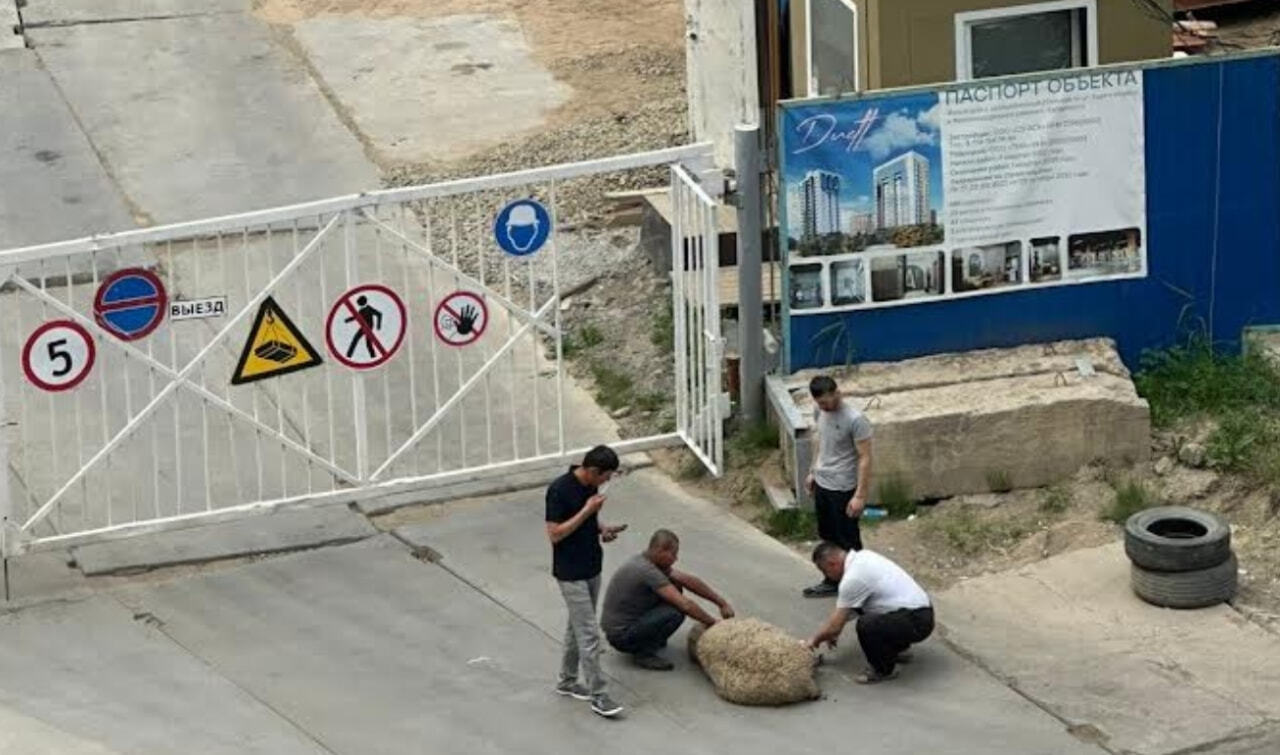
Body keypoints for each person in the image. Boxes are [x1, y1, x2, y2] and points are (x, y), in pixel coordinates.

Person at [545, 445, 628, 718]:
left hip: (592, 566)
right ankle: (599, 694)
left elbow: (587, 522)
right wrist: (586, 510)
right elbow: (555, 534)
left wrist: (601, 528)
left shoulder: (591, 487)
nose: (606, 483)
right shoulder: (559, 490)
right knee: (590, 633)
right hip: (571, 573)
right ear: (593, 471)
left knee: (577, 627)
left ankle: (567, 680)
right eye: (605, 477)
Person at [601, 529, 735, 670]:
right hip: (621, 637)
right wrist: (713, 623)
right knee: (676, 611)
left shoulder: (648, 560)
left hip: (624, 626)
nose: (676, 559)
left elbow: (687, 580)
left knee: (676, 587)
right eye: (673, 554)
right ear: (660, 550)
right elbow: (686, 605)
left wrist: (721, 602)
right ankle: (643, 653)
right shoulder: (647, 571)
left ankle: (649, 638)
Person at [804, 542, 934, 684]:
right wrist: (832, 630)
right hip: (923, 612)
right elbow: (849, 610)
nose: (827, 576)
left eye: (825, 571)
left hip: (916, 621)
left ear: (832, 564)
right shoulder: (864, 556)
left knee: (868, 625)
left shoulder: (852, 579)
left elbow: (835, 624)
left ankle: (883, 670)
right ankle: (898, 650)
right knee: (872, 613)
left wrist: (814, 640)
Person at [803, 374, 874, 598]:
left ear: (838, 393)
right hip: (823, 483)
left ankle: (861, 586)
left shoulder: (855, 420)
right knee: (828, 536)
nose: (826, 406)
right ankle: (833, 580)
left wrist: (860, 495)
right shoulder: (820, 412)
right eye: (821, 403)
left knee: (848, 540)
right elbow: (822, 443)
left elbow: (865, 458)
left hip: (844, 487)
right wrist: (813, 471)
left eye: (829, 401)